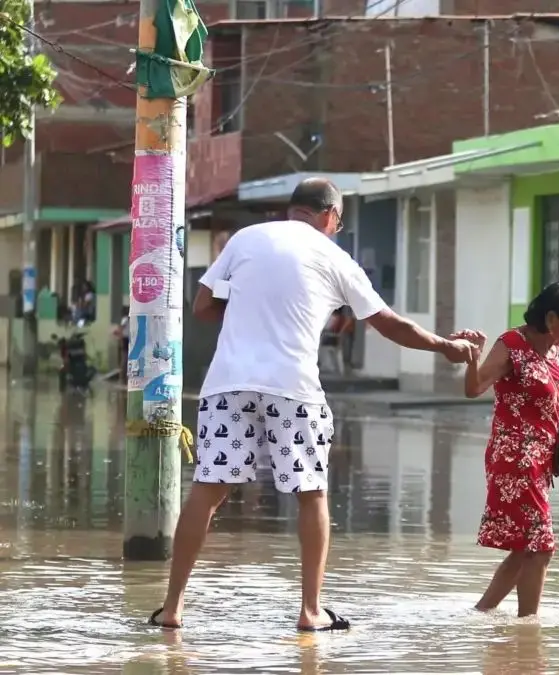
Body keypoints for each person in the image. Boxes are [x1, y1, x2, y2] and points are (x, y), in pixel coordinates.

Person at [148, 177, 477, 632]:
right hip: (293, 390)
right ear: (329, 216)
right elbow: (389, 324)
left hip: (227, 385)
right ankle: (309, 611)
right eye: (337, 223)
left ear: (294, 208)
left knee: (206, 491)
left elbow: (202, 305)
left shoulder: (246, 238)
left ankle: (172, 609)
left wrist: (250, 310)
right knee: (311, 494)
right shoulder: (334, 257)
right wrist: (446, 346)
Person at [462, 279, 559, 617]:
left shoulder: (552, 348)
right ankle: (529, 627)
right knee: (540, 547)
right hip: (514, 458)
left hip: (541, 461)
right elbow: (476, 387)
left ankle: (482, 613)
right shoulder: (512, 344)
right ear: (552, 317)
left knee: (526, 547)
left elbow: (544, 391)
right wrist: (472, 358)